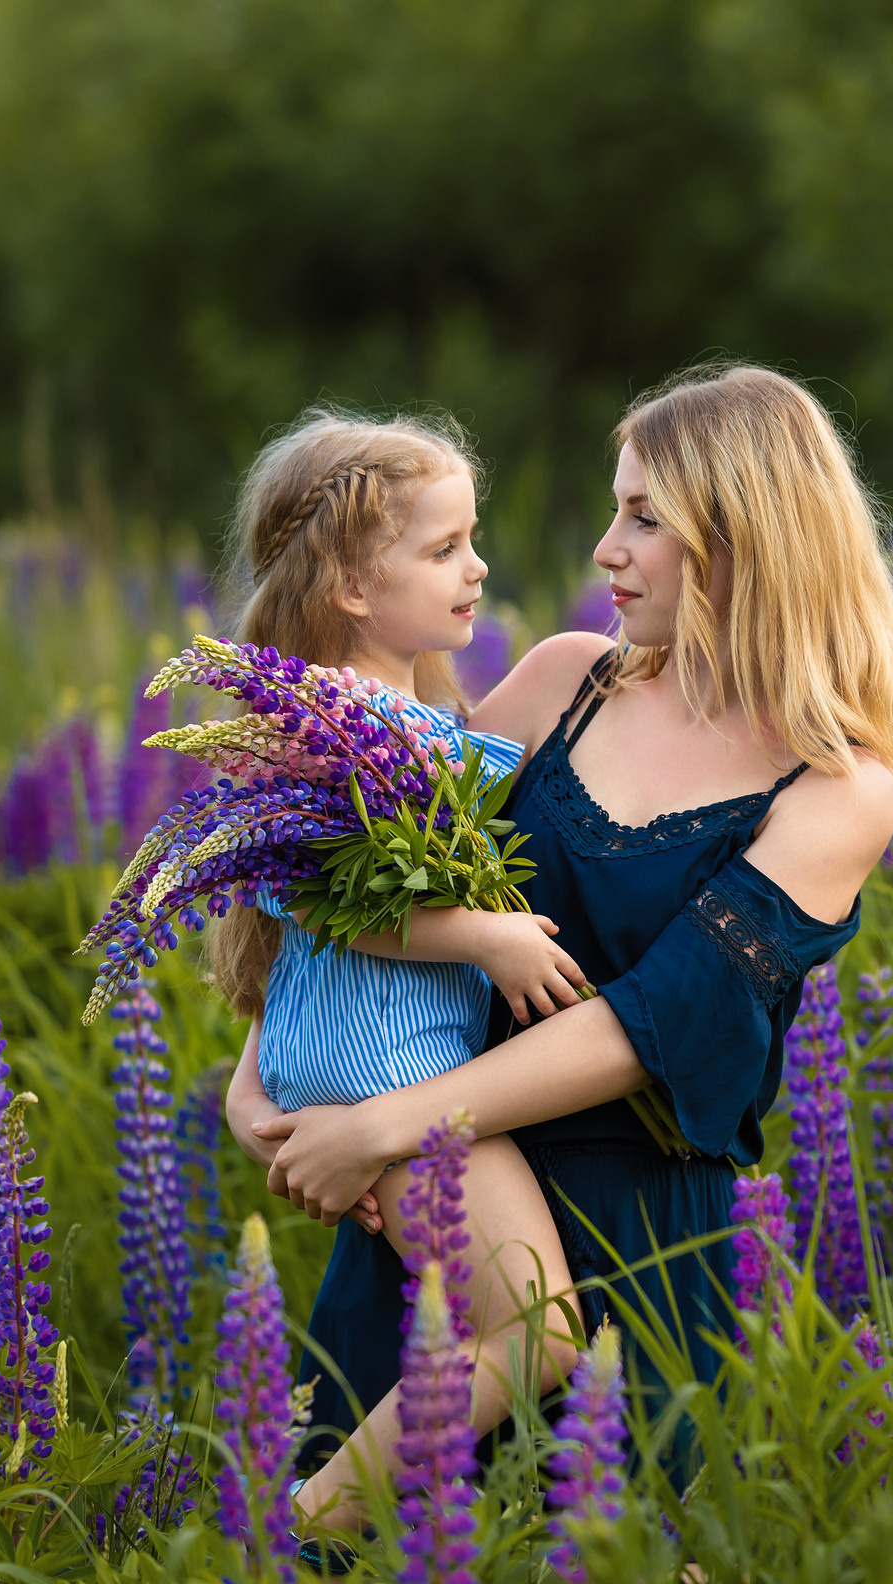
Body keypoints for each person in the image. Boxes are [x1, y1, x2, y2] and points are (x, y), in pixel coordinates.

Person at [230, 364, 893, 1529]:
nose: (606, 547)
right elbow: (362, 881)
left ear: (745, 536)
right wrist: (264, 1084)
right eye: (616, 508)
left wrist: (384, 1126)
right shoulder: (562, 683)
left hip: (631, 1259)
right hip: (435, 1229)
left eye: (645, 517)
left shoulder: (839, 788)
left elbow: (655, 1022)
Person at [207, 409, 594, 1525]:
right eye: (443, 550)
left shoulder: (407, 714)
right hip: (385, 1077)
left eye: (472, 541)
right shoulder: (326, 723)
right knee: (537, 1330)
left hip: (368, 1061)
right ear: (349, 586)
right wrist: (481, 934)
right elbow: (318, 891)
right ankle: (314, 1517)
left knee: (507, 1322)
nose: (478, 568)